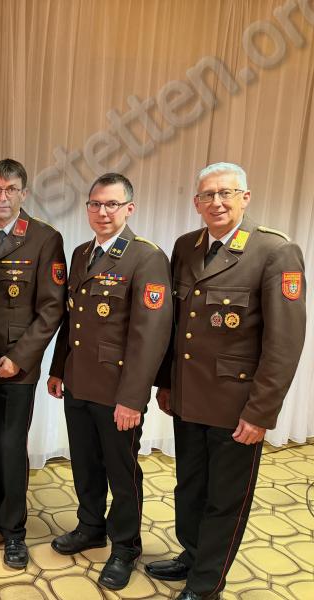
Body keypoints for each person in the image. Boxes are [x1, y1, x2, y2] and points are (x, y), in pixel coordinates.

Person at [145, 162, 306, 600]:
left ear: (245, 198)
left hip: (236, 406)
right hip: (188, 397)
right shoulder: (186, 246)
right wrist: (166, 382)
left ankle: (206, 585)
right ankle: (193, 555)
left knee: (225, 498)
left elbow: (284, 343)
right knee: (189, 487)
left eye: (226, 193)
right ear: (196, 202)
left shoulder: (274, 251)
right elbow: (175, 325)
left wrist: (261, 412)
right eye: (208, 195)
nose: (216, 202)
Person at [47, 172, 172, 591]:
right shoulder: (81, 253)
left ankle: (125, 546)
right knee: (85, 463)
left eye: (112, 204)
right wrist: (59, 368)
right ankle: (90, 527)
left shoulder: (146, 257)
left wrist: (133, 399)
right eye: (96, 204)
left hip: (118, 390)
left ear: (129, 209)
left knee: (122, 472)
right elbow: (72, 319)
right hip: (79, 381)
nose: (103, 212)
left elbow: (150, 337)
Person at [0, 159, 66, 568]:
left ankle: (14, 530)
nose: (2, 197)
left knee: (9, 447)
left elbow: (52, 308)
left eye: (10, 189)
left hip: (14, 367)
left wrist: (19, 359)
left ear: (23, 193)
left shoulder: (44, 238)